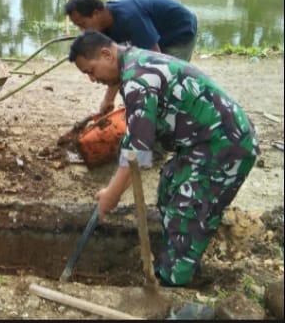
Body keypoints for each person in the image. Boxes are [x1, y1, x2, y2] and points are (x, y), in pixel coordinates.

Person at [68, 30, 259, 287]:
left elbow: (139, 151)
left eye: (90, 71)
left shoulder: (138, 79)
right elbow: (136, 135)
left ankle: (172, 284)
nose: (92, 79)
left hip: (225, 145)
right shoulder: (133, 61)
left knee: (187, 210)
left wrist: (112, 195)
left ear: (106, 54)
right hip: (199, 144)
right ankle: (178, 258)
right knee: (169, 186)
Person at [65, 0, 198, 116]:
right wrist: (108, 100)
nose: (82, 31)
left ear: (95, 13)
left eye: (82, 24)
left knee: (167, 81)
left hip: (179, 32)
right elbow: (117, 66)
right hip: (156, 34)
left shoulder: (130, 17)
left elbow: (156, 62)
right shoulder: (103, 29)